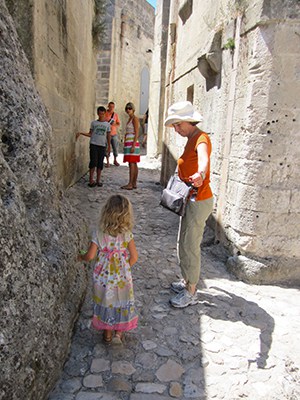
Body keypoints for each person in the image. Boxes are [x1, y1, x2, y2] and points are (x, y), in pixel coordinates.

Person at [164, 101, 214, 308]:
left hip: (199, 200)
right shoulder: (191, 138)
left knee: (190, 245)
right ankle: (186, 281)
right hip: (191, 199)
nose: (176, 129)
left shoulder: (201, 139)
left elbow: (203, 159)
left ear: (188, 121)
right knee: (183, 242)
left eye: (177, 125)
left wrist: (201, 173)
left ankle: (191, 291)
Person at [78, 194, 138, 344]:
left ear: (106, 212)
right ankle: (118, 333)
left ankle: (107, 334)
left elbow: (90, 255)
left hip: (103, 278)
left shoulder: (99, 233)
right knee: (121, 301)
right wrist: (123, 269)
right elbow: (134, 257)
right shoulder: (127, 235)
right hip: (122, 277)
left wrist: (81, 256)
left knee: (106, 301)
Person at [76, 106, 111, 187]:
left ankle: (98, 180)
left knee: (100, 163)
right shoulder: (94, 123)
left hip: (102, 145)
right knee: (93, 162)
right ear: (98, 113)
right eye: (100, 114)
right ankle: (91, 180)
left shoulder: (107, 125)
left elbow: (108, 135)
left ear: (105, 114)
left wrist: (109, 146)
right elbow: (90, 134)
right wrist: (81, 133)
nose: (101, 115)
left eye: (103, 114)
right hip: (94, 144)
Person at [121, 102, 140, 190]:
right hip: (129, 141)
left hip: (132, 141)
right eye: (127, 108)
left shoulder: (134, 119)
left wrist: (133, 145)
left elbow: (137, 132)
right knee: (133, 163)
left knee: (132, 163)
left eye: (130, 108)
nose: (128, 110)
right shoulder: (130, 119)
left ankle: (130, 184)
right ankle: (134, 183)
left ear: (133, 109)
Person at [105, 101, 121, 167]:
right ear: (108, 106)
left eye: (113, 107)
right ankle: (107, 161)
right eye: (110, 106)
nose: (111, 108)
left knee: (115, 147)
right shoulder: (105, 113)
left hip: (114, 133)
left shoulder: (115, 115)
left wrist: (114, 124)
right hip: (106, 133)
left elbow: (118, 123)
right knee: (106, 147)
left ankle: (115, 160)